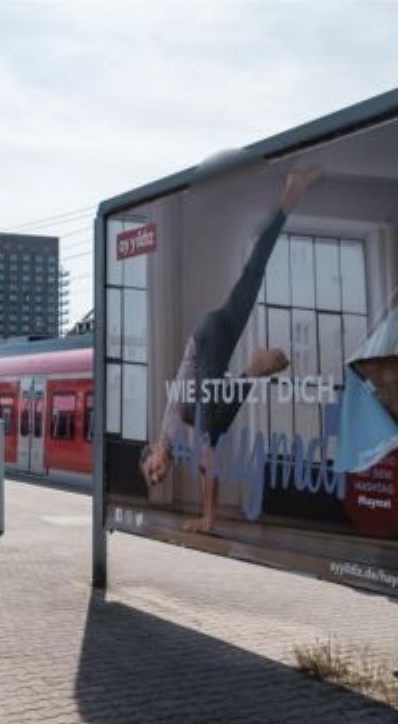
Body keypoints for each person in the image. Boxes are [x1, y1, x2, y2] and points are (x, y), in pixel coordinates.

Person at [138, 167, 323, 533]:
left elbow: (206, 453)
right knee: (253, 273)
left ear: (153, 451)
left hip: (206, 343)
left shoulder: (169, 432)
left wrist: (208, 513)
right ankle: (290, 194)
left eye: (153, 469)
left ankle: (210, 516)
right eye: (157, 478)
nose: (159, 473)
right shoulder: (176, 438)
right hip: (215, 335)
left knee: (208, 433)